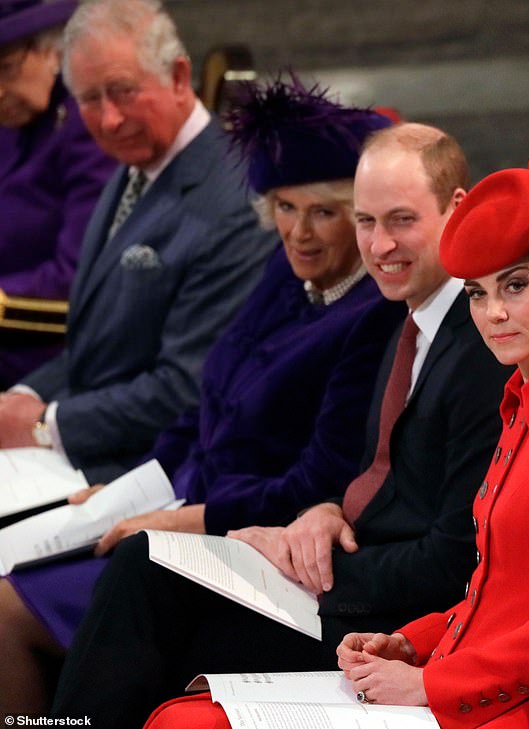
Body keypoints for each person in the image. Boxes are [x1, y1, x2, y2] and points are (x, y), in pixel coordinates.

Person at [51, 122, 512, 728]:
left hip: (390, 627)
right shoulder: (409, 318)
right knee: (145, 568)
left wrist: (308, 566)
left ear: (456, 209)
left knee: (154, 604)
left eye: (401, 220)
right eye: (366, 222)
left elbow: (455, 560)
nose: (378, 246)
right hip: (344, 576)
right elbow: (373, 473)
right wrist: (325, 510)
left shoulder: (482, 344)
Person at [0, 74, 405, 715]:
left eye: (323, 212)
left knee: (4, 615)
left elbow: (314, 483)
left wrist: (175, 520)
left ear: (358, 219)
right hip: (177, 503)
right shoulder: (287, 269)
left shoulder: (371, 314)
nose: (298, 232)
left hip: (248, 547)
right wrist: (131, 489)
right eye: (284, 207)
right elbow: (206, 403)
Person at [337, 159, 529, 728]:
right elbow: (495, 594)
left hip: (527, 708)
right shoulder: (528, 398)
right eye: (477, 293)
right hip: (477, 682)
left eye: (516, 285)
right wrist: (409, 642)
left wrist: (429, 683)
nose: (493, 313)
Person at [0, 0, 276, 482]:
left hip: (158, 474)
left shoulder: (232, 200)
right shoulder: (138, 163)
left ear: (177, 76)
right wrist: (23, 398)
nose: (108, 119)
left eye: (124, 92)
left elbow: (188, 388)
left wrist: (47, 426)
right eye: (89, 99)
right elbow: (96, 348)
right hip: (85, 453)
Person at [0, 0, 115, 388]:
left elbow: (77, 276)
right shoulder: (10, 114)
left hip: (41, 358)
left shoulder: (88, 124)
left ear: (51, 50)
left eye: (5, 68)